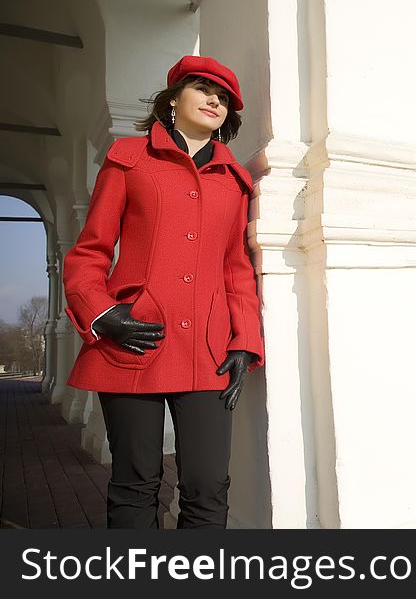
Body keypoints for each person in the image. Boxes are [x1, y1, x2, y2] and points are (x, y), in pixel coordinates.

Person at [62, 55, 265, 529]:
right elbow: (90, 251)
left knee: (208, 490)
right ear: (173, 99)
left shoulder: (234, 182)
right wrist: (101, 313)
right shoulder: (128, 160)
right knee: (135, 487)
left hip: (210, 351)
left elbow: (236, 270)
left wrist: (245, 341)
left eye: (225, 98)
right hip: (133, 341)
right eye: (203, 88)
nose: (215, 99)